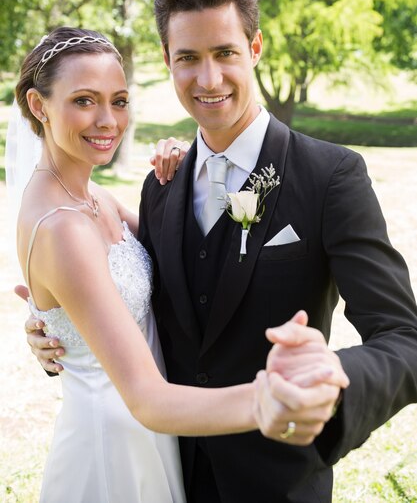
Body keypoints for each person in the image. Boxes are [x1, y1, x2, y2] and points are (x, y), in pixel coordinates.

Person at [23, 0, 417, 503]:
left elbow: (404, 338)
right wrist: (52, 321)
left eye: (224, 53)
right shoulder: (160, 188)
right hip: (162, 473)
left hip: (279, 483)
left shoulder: (331, 178)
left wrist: (329, 379)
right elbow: (123, 293)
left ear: (254, 48)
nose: (208, 80)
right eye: (188, 58)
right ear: (167, 62)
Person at [12, 25, 299, 503]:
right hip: (115, 445)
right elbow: (145, 396)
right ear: (39, 106)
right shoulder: (63, 226)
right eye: (84, 100)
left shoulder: (93, 198)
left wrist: (193, 170)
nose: (108, 120)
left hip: (150, 436)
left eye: (119, 101)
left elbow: (178, 259)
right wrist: (274, 402)